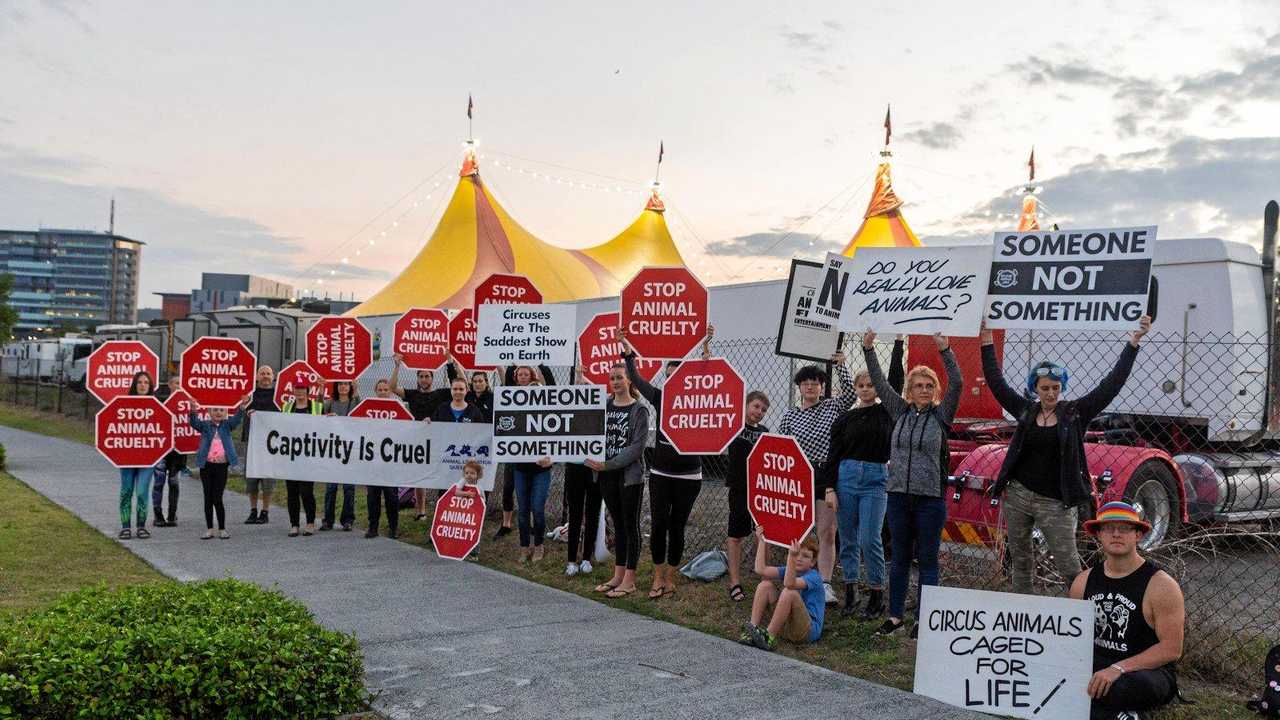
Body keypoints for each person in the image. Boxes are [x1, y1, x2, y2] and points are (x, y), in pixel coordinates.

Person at [983, 316, 1152, 595]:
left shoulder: (1075, 413)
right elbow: (995, 382)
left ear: (1062, 388)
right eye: (1044, 388)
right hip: (1019, 496)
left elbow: (1111, 385)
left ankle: (1080, 621)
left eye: (1055, 388)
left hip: (1055, 502)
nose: (1050, 393)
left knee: (1069, 565)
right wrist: (987, 339)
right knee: (1020, 561)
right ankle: (1022, 614)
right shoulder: (1026, 411)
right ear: (1035, 389)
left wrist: (1133, 343)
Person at [863, 330, 961, 637]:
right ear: (909, 390)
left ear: (934, 391)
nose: (923, 389)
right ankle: (895, 616)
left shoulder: (941, 416)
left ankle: (925, 618)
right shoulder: (900, 411)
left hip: (930, 499)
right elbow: (879, 382)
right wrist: (868, 349)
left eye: (929, 385)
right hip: (898, 497)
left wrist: (945, 350)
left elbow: (957, 383)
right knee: (900, 557)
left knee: (928, 559)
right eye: (918, 385)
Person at [619, 325, 715, 600]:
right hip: (661, 472)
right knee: (659, 524)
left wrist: (706, 345)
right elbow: (635, 378)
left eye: (678, 376)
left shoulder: (698, 399)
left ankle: (671, 577)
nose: (673, 380)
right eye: (668, 376)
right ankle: (658, 575)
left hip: (689, 475)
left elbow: (710, 376)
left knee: (677, 527)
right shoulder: (661, 397)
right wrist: (628, 353)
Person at [1069, 501, 1184, 720]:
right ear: (1099, 535)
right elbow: (1073, 639)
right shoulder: (1082, 581)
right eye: (1108, 528)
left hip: (1143, 671)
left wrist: (1118, 669)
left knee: (1124, 687)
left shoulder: (1161, 585)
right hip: (1097, 667)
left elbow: (1171, 649)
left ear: (1138, 535)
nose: (1116, 534)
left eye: (1124, 528)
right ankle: (1121, 715)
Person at [821, 337, 905, 620]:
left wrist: (898, 344)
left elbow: (894, 380)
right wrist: (829, 488)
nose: (867, 389)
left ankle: (876, 594)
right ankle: (851, 592)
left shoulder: (886, 411)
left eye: (871, 385)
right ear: (855, 389)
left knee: (871, 539)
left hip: (874, 479)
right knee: (848, 538)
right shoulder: (844, 419)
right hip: (845, 478)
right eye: (862, 385)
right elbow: (833, 455)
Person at [778, 349, 854, 605]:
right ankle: (796, 580)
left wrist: (841, 365)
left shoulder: (833, 406)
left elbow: (851, 394)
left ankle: (824, 584)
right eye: (805, 382)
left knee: (826, 531)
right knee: (797, 532)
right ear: (799, 387)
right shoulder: (790, 416)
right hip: (797, 473)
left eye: (816, 382)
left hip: (826, 473)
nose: (810, 386)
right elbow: (780, 446)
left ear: (822, 386)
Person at [587, 363, 650, 600]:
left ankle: (630, 581)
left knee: (630, 526)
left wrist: (608, 464)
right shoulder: (604, 406)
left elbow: (636, 448)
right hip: (606, 476)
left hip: (629, 477)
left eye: (620, 377)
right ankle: (618, 576)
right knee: (619, 526)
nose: (615, 381)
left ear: (629, 381)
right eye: (612, 378)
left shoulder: (639, 411)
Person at [388, 352, 455, 520]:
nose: (424, 379)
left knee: (442, 475)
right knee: (420, 478)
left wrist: (450, 363)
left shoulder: (441, 393)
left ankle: (445, 510)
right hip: (418, 442)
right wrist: (397, 366)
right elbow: (392, 387)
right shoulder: (412, 394)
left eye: (427, 376)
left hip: (438, 439)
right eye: (421, 376)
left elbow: (459, 384)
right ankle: (421, 511)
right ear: (417, 378)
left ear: (432, 378)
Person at [494, 363, 556, 538]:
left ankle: (530, 527)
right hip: (515, 453)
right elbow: (506, 379)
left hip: (535, 458)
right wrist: (506, 360)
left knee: (530, 494)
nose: (522, 377)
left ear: (532, 377)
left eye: (526, 374)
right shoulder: (510, 395)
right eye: (519, 374)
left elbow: (551, 386)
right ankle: (506, 524)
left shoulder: (543, 397)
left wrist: (544, 362)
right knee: (508, 486)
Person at [740, 527, 825, 651]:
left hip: (807, 631)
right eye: (797, 554)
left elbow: (790, 584)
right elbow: (760, 569)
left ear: (813, 562)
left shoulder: (814, 577)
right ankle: (752, 630)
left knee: (789, 592)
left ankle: (768, 636)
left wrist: (792, 556)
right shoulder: (789, 569)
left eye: (805, 556)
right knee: (765, 585)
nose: (799, 558)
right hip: (787, 626)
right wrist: (762, 541)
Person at [724, 390, 770, 602]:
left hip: (760, 490)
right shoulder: (733, 427)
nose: (759, 412)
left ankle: (765, 579)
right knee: (736, 535)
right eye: (756, 406)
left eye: (763, 409)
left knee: (764, 534)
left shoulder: (765, 432)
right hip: (739, 489)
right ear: (745, 405)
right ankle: (735, 581)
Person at [189, 393, 253, 539]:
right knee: (208, 498)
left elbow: (238, 418)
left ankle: (222, 528)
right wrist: (193, 409)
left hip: (221, 467)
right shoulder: (205, 426)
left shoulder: (227, 425)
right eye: (215, 410)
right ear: (209, 412)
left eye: (222, 410)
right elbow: (194, 422)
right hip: (206, 466)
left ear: (226, 413)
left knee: (217, 497)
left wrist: (242, 406)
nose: (218, 412)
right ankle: (210, 528)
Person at [564, 366, 602, 577]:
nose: (583, 392)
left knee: (593, 513)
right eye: (580, 389)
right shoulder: (570, 412)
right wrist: (579, 376)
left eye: (588, 389)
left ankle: (587, 558)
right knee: (575, 514)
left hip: (594, 469)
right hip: (574, 468)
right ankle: (571, 560)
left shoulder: (600, 413)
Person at [116, 371, 158, 540]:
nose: (142, 385)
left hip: (148, 458)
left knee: (142, 492)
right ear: (134, 384)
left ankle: (141, 526)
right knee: (126, 491)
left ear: (150, 386)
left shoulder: (156, 406)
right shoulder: (124, 405)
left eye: (146, 382)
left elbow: (162, 430)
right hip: (126, 457)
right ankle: (125, 527)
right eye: (139, 382)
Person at [281, 381, 323, 537]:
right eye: (297, 389)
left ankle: (310, 523)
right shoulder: (286, 407)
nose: (299, 392)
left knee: (306, 491)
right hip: (290, 456)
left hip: (308, 456)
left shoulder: (317, 407)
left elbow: (324, 427)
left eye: (302, 389)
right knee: (291, 491)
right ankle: (294, 524)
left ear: (307, 391)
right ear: (293, 391)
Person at [366, 378, 403, 539]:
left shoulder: (399, 409)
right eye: (380, 390)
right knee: (372, 496)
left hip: (391, 462)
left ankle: (393, 527)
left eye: (385, 390)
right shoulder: (368, 409)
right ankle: (373, 527)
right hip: (372, 461)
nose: (382, 392)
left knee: (391, 496)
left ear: (390, 392)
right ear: (376, 391)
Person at [320, 380, 359, 532]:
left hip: (350, 451)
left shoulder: (355, 402)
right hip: (333, 451)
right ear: (336, 386)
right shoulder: (330, 403)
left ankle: (348, 520)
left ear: (350, 387)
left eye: (346, 384)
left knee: (349, 488)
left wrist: (357, 390)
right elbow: (317, 413)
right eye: (340, 384)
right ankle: (327, 520)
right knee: (331, 488)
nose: (343, 386)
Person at [242, 365, 278, 525]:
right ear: (256, 376)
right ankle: (253, 510)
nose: (265, 376)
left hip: (271, 444)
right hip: (252, 442)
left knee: (268, 479)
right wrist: (244, 408)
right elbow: (240, 410)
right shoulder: (250, 395)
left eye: (268, 374)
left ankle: (265, 511)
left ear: (273, 376)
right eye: (262, 373)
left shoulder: (278, 395)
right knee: (252, 479)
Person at [152, 375, 186, 527]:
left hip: (178, 452)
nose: (179, 386)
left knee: (174, 482)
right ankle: (158, 515)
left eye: (181, 383)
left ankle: (172, 515)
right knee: (159, 482)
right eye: (176, 383)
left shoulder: (186, 403)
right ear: (170, 385)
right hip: (162, 449)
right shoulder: (162, 402)